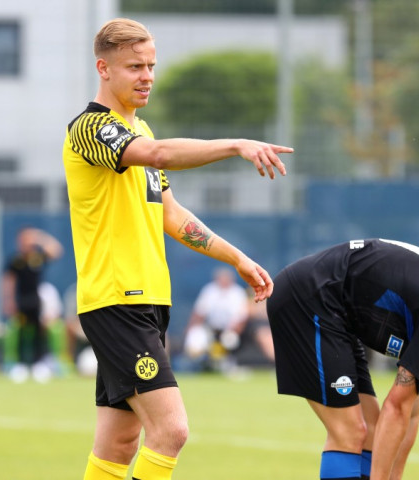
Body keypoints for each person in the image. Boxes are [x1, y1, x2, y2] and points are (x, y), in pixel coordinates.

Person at [63, 17, 293, 480]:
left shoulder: (141, 130)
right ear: (103, 68)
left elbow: (172, 215)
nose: (147, 76)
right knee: (171, 431)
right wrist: (236, 145)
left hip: (147, 301)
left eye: (151, 65)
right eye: (134, 67)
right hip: (117, 300)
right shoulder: (90, 128)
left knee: (118, 444)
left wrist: (238, 258)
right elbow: (158, 155)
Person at [266, 238, 419, 480]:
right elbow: (396, 407)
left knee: (373, 430)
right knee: (350, 431)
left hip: (335, 313)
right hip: (308, 299)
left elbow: (411, 413)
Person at [1, 227, 63, 382]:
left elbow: (57, 251)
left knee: (39, 332)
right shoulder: (16, 260)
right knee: (22, 332)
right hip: (21, 302)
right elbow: (9, 281)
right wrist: (9, 300)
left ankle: (39, 364)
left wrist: (40, 237)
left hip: (36, 302)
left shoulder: (38, 258)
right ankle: (20, 365)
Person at [184, 267, 249, 372]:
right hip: (210, 329)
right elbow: (199, 313)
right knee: (195, 336)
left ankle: (229, 364)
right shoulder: (209, 291)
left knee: (230, 339)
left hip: (229, 330)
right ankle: (199, 365)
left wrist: (231, 332)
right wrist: (191, 328)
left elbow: (241, 319)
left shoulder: (238, 293)